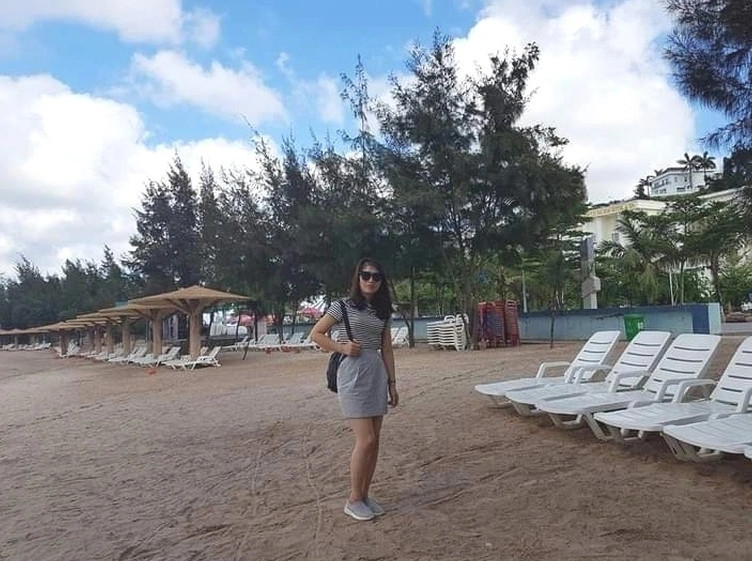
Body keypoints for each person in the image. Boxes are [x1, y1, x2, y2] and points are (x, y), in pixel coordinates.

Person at [310, 257, 399, 521]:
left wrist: (392, 383)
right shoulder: (341, 307)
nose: (371, 280)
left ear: (382, 281)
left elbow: (387, 349)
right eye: (365, 275)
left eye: (376, 276)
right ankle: (353, 499)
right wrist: (342, 347)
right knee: (366, 439)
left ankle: (365, 494)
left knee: (375, 441)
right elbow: (316, 334)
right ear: (357, 278)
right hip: (352, 373)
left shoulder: (383, 311)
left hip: (376, 373)